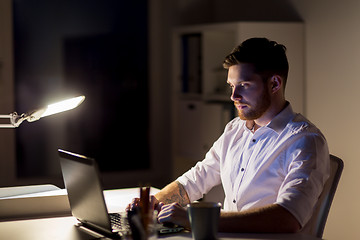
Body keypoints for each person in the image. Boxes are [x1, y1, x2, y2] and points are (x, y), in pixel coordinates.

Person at [128, 38, 330, 233]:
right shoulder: (235, 129)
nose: (234, 96)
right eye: (232, 86)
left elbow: (288, 218)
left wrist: (193, 217)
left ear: (275, 84)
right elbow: (199, 177)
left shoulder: (305, 141)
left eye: (244, 85)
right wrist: (154, 203)